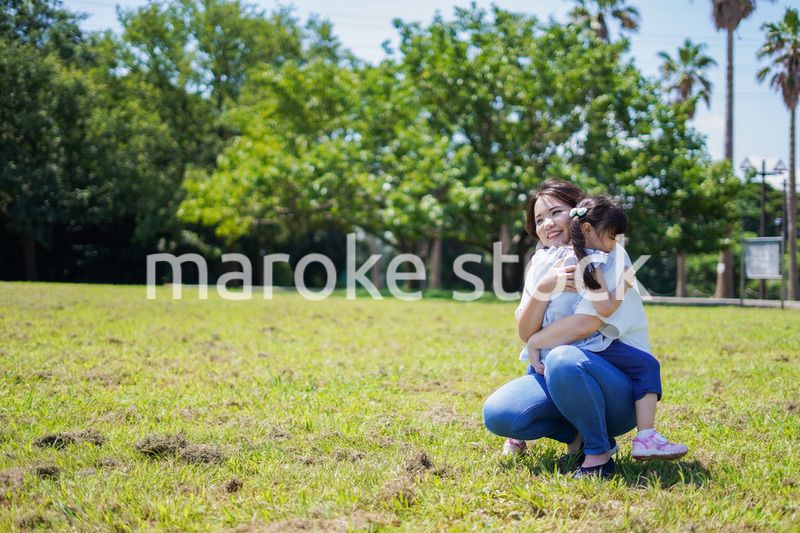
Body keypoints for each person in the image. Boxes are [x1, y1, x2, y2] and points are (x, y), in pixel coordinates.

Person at [482, 180, 666, 479]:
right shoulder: (542, 261)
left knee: (563, 357)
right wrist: (543, 287)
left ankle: (599, 453)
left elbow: (587, 324)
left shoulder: (610, 253)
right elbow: (524, 331)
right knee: (499, 414)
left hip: (615, 389)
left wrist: (538, 341)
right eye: (539, 220)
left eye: (556, 212)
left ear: (580, 213)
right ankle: (576, 436)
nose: (547, 224)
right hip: (559, 379)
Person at [525, 195, 688, 463]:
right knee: (647, 365)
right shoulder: (589, 262)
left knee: (538, 374)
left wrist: (535, 342)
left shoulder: (561, 256)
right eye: (612, 237)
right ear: (588, 230)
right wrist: (624, 284)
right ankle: (645, 436)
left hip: (554, 343)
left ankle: (546, 438)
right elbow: (605, 309)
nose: (614, 244)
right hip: (585, 345)